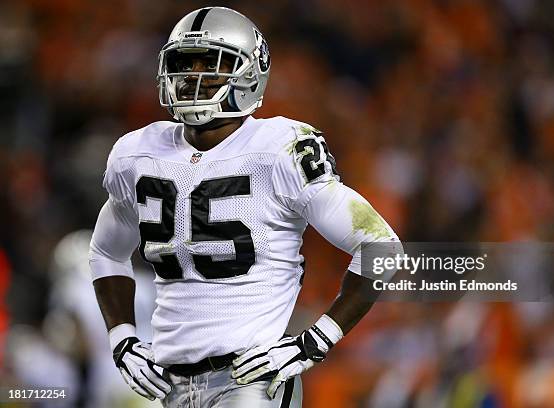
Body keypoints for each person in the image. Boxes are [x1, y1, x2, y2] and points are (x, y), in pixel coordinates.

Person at [89, 6, 399, 407]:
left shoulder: (278, 149)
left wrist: (316, 340)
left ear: (249, 74)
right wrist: (122, 338)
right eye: (184, 64)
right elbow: (106, 251)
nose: (190, 79)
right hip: (169, 386)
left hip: (250, 381)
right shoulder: (137, 154)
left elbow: (381, 246)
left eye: (210, 65)